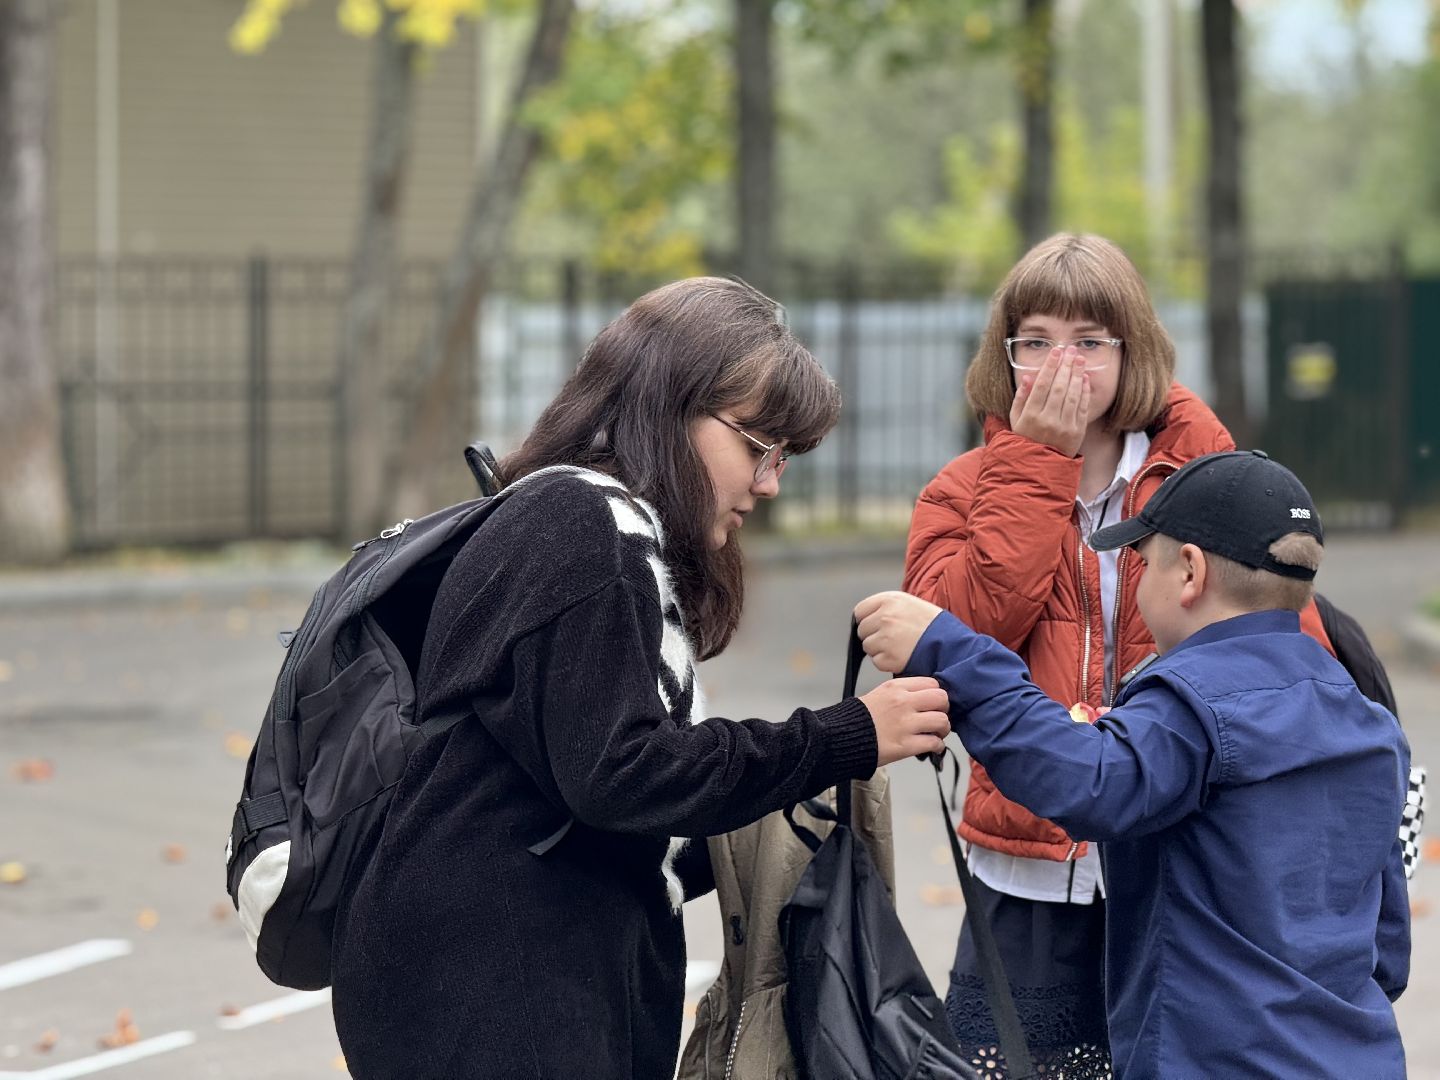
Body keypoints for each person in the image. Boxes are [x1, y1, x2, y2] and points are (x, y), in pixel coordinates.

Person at [328, 276, 951, 1080]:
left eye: (785, 459)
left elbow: (597, 808)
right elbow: (621, 776)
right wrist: (847, 737)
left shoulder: (568, 518)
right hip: (499, 995)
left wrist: (772, 814)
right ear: (669, 405)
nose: (768, 484)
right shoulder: (589, 525)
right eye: (759, 448)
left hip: (489, 976)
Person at [859, 450, 1411, 1079]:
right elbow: (1386, 951)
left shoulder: (1194, 704)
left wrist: (946, 647)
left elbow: (1085, 779)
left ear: (1189, 574)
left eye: (1142, 561)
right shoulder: (1369, 722)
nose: (1138, 578)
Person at [903, 232, 1238, 1076]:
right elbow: (953, 645)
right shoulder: (959, 489)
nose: (1064, 364)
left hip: (1178, 853)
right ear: (1004, 357)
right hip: (1026, 866)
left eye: (1090, 341)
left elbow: (1263, 645)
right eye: (1037, 342)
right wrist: (1033, 470)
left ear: (1134, 353)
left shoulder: (1205, 475)